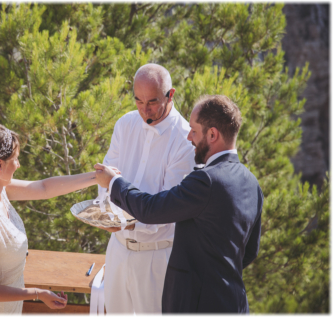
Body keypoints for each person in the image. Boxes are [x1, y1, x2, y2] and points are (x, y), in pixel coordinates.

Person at [94, 94, 263, 313]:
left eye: (193, 130)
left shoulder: (206, 181)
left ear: (212, 134)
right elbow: (250, 251)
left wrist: (114, 183)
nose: (189, 137)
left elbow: (151, 209)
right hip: (234, 302)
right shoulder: (252, 183)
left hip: (197, 305)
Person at [0, 122, 112, 314]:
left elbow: (43, 188)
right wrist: (38, 294)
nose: (19, 164)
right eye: (16, 159)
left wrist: (96, 177)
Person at [95, 64, 195, 313]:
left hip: (156, 257)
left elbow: (167, 209)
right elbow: (106, 178)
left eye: (151, 102)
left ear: (170, 95)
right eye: (138, 100)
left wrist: (126, 222)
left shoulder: (184, 141)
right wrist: (107, 214)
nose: (143, 109)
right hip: (117, 249)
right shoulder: (125, 124)